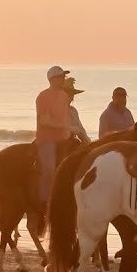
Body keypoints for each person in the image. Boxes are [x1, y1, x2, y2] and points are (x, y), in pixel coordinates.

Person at [35, 65, 72, 205]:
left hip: (64, 138)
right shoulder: (43, 96)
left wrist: (70, 129)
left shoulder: (64, 96)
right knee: (49, 168)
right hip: (47, 139)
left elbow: (65, 117)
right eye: (61, 77)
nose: (64, 79)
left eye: (64, 76)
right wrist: (62, 125)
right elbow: (44, 120)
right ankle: (45, 199)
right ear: (52, 79)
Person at [64, 77, 92, 143]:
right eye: (69, 94)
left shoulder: (73, 111)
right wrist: (76, 130)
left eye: (72, 95)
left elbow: (81, 129)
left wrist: (88, 141)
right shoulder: (55, 110)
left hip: (71, 142)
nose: (72, 98)